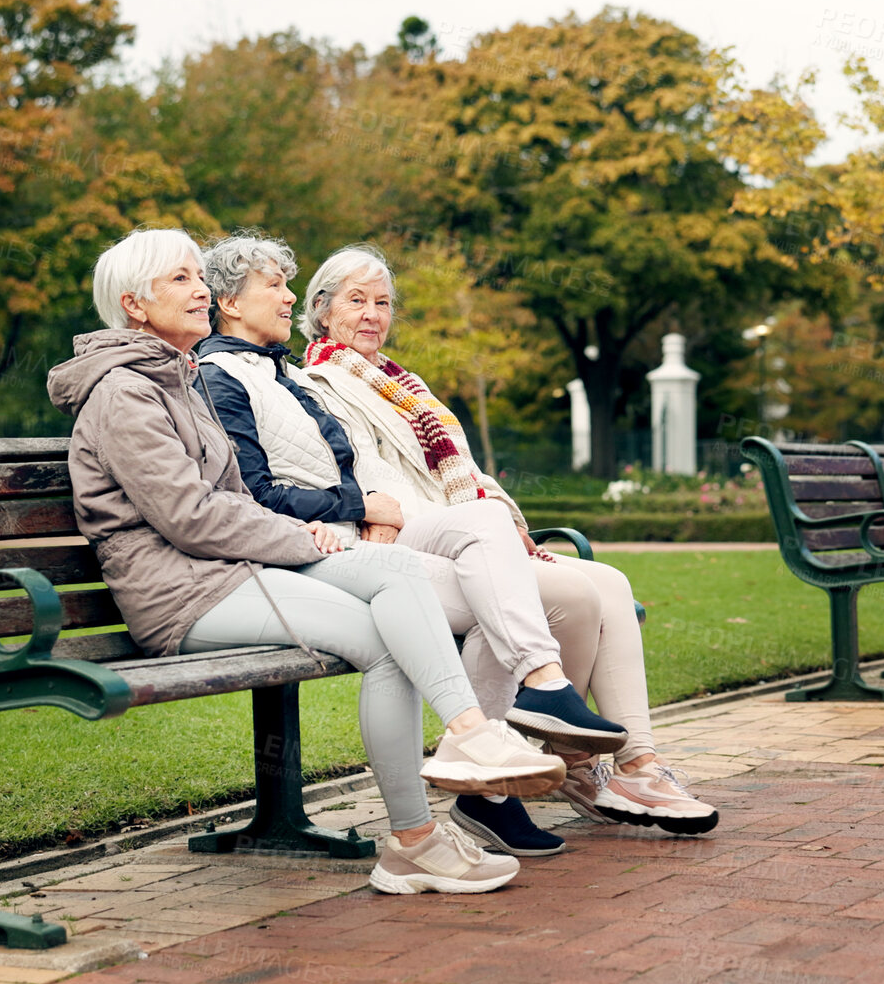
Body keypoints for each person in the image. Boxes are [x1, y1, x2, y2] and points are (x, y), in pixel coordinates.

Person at [46, 227, 567, 894]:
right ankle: (439, 793)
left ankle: (438, 792)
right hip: (182, 595)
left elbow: (231, 497)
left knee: (397, 584)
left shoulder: (181, 378)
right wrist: (300, 535)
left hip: (231, 570)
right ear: (134, 305)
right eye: (180, 278)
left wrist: (299, 528)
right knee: (389, 622)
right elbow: (189, 516)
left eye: (197, 275)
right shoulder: (125, 393)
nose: (201, 287)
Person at [194, 233, 626, 858]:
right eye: (275, 286)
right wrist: (362, 508)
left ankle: (518, 728)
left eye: (290, 285)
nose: (288, 296)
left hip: (353, 538)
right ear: (230, 303)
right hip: (313, 554)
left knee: (487, 531)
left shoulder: (282, 374)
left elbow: (338, 468)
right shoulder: (223, 377)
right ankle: (479, 777)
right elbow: (255, 492)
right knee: (498, 594)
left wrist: (368, 508)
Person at [295, 244, 719, 836]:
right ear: (321, 310)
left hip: (457, 526)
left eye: (383, 302)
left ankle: (639, 764)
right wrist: (479, 521)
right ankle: (561, 766)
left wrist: (498, 510)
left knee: (612, 583)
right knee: (572, 594)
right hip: (411, 534)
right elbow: (375, 479)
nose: (372, 314)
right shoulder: (318, 381)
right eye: (356, 301)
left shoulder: (399, 380)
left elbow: (457, 467)